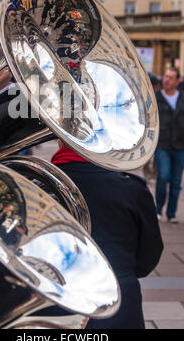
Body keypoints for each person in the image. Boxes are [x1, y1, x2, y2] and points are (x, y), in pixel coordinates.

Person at [50, 141, 163, 329]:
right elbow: (149, 256)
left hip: (54, 303)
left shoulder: (35, 185)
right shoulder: (131, 188)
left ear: (60, 140)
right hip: (119, 304)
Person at [155, 67, 184, 223]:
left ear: (178, 81)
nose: (167, 80)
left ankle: (171, 214)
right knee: (164, 176)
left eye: (171, 77)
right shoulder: (156, 96)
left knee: (176, 181)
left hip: (181, 146)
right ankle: (158, 209)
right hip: (162, 144)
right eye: (166, 76)